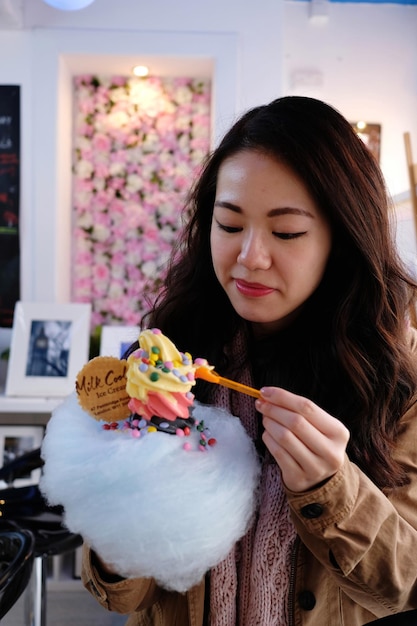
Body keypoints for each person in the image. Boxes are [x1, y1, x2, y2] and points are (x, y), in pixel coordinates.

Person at [81, 95, 417, 625]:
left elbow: (405, 585)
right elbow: (120, 595)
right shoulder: (170, 354)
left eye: (286, 232)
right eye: (230, 225)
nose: (250, 257)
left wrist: (332, 490)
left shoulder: (399, 378)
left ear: (342, 238)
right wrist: (122, 492)